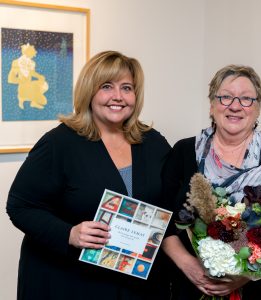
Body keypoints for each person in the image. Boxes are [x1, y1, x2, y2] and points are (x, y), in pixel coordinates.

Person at [6, 51, 171, 300]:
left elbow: (170, 202)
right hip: (68, 282)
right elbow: (20, 206)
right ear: (89, 92)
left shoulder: (153, 142)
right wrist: (69, 233)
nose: (118, 96)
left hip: (133, 285)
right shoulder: (59, 143)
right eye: (106, 86)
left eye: (127, 88)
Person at [161, 64, 261, 300]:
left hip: (258, 289)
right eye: (225, 97)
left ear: (257, 108)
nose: (235, 106)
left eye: (246, 99)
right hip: (193, 287)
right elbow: (161, 219)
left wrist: (246, 273)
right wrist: (188, 265)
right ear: (212, 103)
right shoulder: (183, 152)